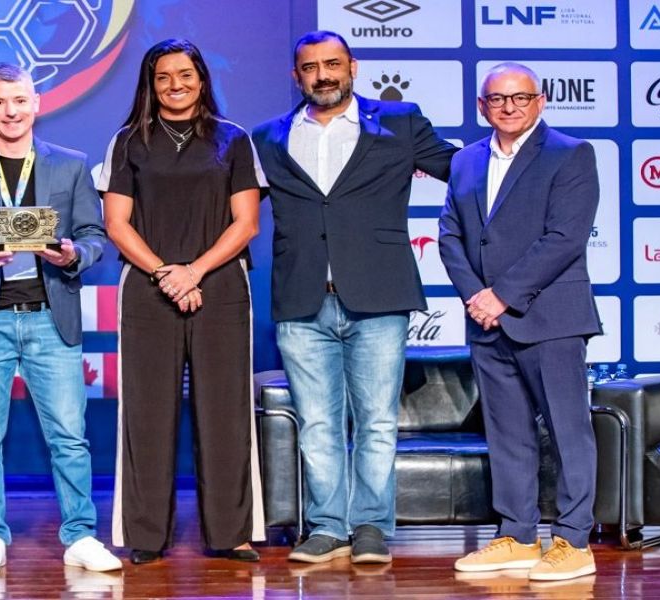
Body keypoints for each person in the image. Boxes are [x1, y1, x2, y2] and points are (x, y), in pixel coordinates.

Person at [251, 30, 458, 564]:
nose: (323, 74)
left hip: (378, 292)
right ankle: (326, 526)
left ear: (353, 67)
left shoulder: (400, 120)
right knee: (317, 422)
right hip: (300, 298)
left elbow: (463, 172)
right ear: (296, 75)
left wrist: (523, 161)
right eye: (310, 67)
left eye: (333, 64)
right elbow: (229, 206)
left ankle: (370, 527)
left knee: (377, 420)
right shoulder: (266, 138)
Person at [0, 63, 121, 574]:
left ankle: (80, 535)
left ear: (36, 103)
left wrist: (72, 253)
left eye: (19, 101)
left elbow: (95, 237)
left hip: (48, 316)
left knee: (69, 437)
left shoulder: (72, 165)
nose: (10, 112)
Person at [98, 38, 266, 565]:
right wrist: (165, 274)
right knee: (146, 414)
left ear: (202, 78)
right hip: (148, 287)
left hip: (220, 285)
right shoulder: (128, 141)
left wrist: (194, 271)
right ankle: (147, 535)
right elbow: (116, 223)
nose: (176, 85)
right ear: (150, 83)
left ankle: (231, 532)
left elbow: (247, 223)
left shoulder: (233, 139)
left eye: (186, 74)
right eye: (164, 76)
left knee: (226, 411)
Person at [442, 62, 600, 581]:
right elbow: (450, 235)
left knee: (568, 429)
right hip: (487, 323)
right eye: (497, 99)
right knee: (507, 433)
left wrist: (503, 296)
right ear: (481, 106)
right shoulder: (465, 161)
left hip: (549, 316)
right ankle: (517, 536)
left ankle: (574, 541)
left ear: (540, 101)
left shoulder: (570, 154)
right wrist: (477, 298)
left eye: (520, 97)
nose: (508, 106)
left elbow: (564, 238)